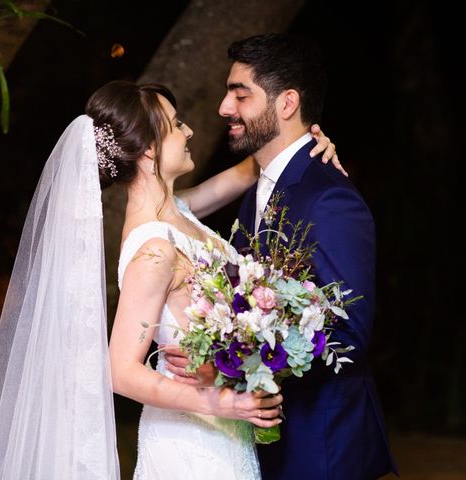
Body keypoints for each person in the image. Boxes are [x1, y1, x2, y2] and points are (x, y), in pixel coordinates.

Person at [0, 79, 340, 479]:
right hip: (189, 445)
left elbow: (249, 171)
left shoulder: (177, 210)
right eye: (177, 125)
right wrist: (219, 402)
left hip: (224, 434)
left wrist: (309, 144)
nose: (189, 131)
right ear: (148, 147)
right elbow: (120, 370)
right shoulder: (154, 251)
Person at [165, 34, 398, 479]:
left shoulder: (329, 198)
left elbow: (348, 332)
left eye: (240, 94)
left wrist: (235, 356)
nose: (224, 108)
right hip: (272, 440)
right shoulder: (260, 187)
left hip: (322, 449)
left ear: (287, 102)